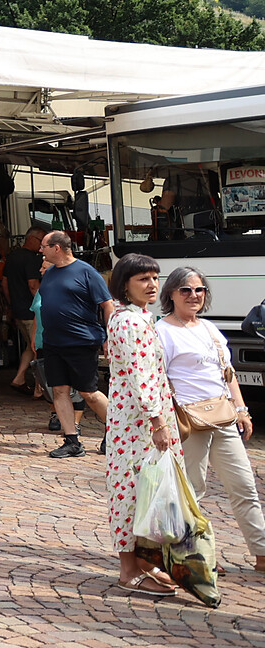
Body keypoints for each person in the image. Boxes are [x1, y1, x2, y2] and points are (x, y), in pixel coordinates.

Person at [156, 266, 265, 572]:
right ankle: (194, 556)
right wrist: (162, 423)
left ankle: (262, 552)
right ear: (172, 295)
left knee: (244, 486)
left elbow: (227, 373)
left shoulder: (208, 328)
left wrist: (241, 409)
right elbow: (158, 380)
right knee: (192, 491)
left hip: (223, 418)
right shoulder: (163, 332)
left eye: (199, 290)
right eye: (186, 290)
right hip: (190, 422)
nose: (194, 296)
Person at [102, 253, 181, 597]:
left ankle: (145, 561)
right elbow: (140, 376)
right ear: (124, 285)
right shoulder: (128, 322)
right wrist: (158, 421)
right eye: (143, 279)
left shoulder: (141, 318)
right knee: (130, 493)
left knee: (150, 491)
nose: (151, 285)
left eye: (154, 277)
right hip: (136, 424)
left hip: (145, 419)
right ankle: (127, 569)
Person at [37, 231, 113, 457]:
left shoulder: (86, 272)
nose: (40, 250)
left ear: (57, 248)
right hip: (53, 342)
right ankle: (72, 440)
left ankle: (118, 432)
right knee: (59, 391)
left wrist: (110, 336)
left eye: (44, 246)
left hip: (81, 341)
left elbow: (107, 305)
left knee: (88, 392)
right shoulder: (49, 273)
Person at [4, 227, 45, 395]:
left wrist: (11, 304)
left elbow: (4, 284)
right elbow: (33, 285)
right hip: (31, 312)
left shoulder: (12, 257)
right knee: (37, 348)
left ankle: (19, 378)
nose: (42, 247)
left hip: (19, 310)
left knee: (30, 346)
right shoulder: (31, 259)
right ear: (32, 239)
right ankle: (39, 388)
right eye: (41, 242)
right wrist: (43, 305)